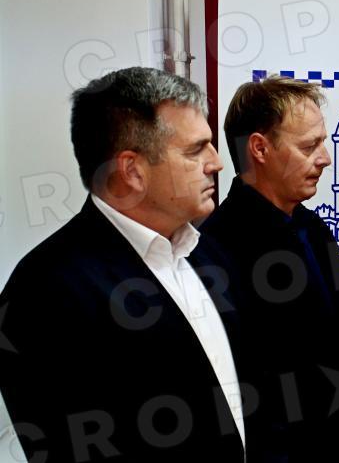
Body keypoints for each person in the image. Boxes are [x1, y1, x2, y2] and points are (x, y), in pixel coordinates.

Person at [0, 67, 253, 462]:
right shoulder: (44, 291)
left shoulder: (208, 252)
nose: (216, 163)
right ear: (132, 170)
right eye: (195, 150)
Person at [201, 75, 339, 463]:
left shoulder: (313, 227)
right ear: (260, 148)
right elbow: (267, 380)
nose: (326, 158)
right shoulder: (215, 249)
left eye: (323, 142)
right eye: (308, 146)